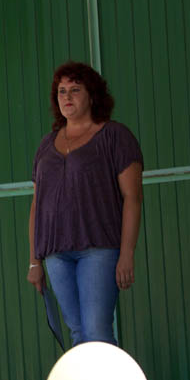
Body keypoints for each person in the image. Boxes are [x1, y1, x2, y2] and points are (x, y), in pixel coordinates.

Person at [28, 61, 143, 346]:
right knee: (78, 333)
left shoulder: (115, 136)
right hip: (56, 253)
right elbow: (37, 206)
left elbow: (133, 197)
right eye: (61, 91)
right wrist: (34, 260)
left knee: (96, 330)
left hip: (99, 249)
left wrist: (127, 253)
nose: (67, 96)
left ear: (92, 95)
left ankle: (113, 379)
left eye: (75, 90)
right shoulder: (46, 145)